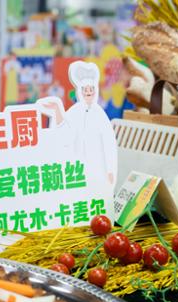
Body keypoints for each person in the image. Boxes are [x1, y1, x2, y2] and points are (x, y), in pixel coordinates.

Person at [39, 61, 118, 218]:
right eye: (85, 90)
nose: (88, 92)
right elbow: (64, 133)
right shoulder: (74, 112)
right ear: (80, 92)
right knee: (80, 197)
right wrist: (56, 111)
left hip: (98, 165)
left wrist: (110, 169)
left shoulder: (100, 114)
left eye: (91, 89)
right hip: (78, 167)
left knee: (98, 197)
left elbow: (109, 143)